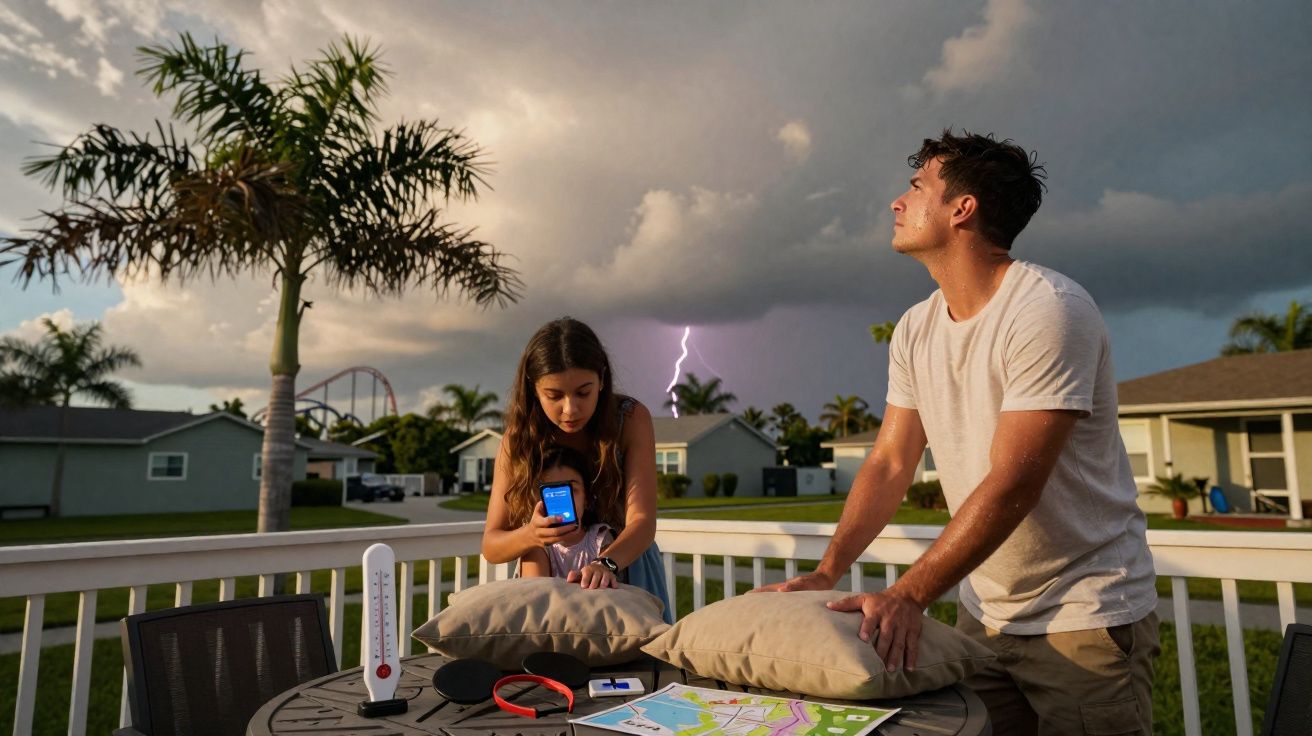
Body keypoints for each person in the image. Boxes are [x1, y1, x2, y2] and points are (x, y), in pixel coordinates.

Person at [757, 129, 1159, 735]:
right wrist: (828, 570)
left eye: (917, 187)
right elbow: (890, 462)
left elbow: (1014, 482)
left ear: (961, 209)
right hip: (985, 617)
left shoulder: (1048, 309)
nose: (897, 202)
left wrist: (909, 595)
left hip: (1083, 616)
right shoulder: (915, 328)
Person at [482, 317, 672, 621]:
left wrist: (605, 564)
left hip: (626, 569)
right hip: (546, 589)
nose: (570, 409)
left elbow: (643, 522)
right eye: (554, 395)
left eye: (583, 392)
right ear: (533, 388)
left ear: (602, 379)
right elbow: (491, 545)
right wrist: (531, 534)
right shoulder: (518, 440)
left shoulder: (630, 420)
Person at [518, 445, 617, 584]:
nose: (562, 500)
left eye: (572, 489)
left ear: (586, 498)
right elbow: (537, 592)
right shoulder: (535, 543)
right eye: (552, 492)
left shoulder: (600, 538)